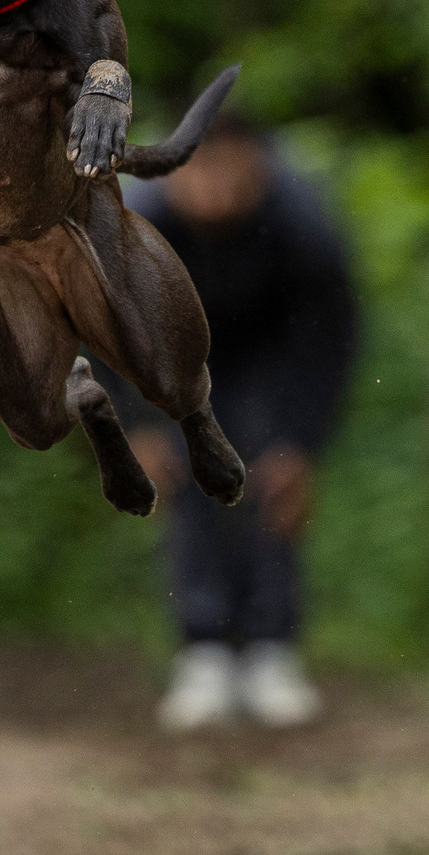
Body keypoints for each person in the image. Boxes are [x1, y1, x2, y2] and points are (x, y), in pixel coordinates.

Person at [111, 115, 359, 730]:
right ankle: (205, 650)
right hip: (172, 354)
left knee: (272, 476)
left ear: (262, 168)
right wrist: (134, 426)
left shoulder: (305, 220)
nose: (216, 189)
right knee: (187, 467)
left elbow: (330, 340)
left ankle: (273, 648)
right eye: (200, 172)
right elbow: (103, 329)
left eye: (232, 172)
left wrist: (303, 442)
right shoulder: (133, 225)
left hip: (274, 355)